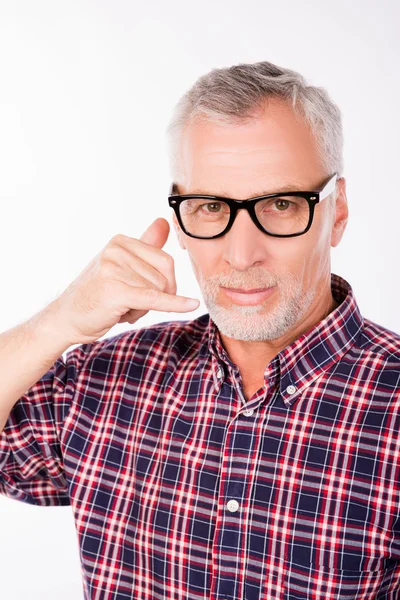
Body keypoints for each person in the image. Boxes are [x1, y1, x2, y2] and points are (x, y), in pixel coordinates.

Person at [1, 60, 399, 600]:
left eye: (281, 205)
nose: (240, 255)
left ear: (339, 211)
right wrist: (60, 321)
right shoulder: (105, 380)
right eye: (211, 207)